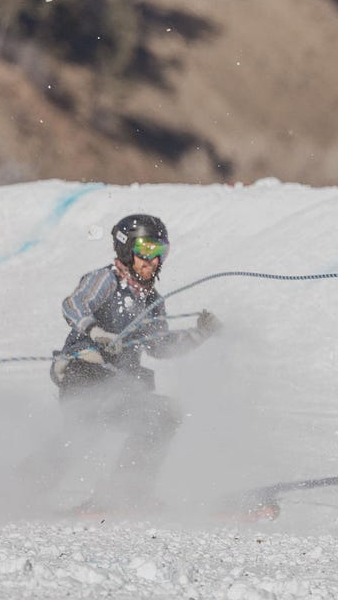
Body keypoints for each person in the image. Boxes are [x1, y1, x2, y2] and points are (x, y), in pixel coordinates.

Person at [20, 213, 222, 514]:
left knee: (162, 416)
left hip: (120, 382)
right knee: (84, 432)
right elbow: (74, 304)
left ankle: (127, 490)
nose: (154, 261)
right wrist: (95, 331)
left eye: (161, 252)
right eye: (147, 250)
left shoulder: (151, 300)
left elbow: (160, 346)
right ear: (126, 248)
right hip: (85, 373)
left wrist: (200, 334)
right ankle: (20, 488)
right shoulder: (107, 280)